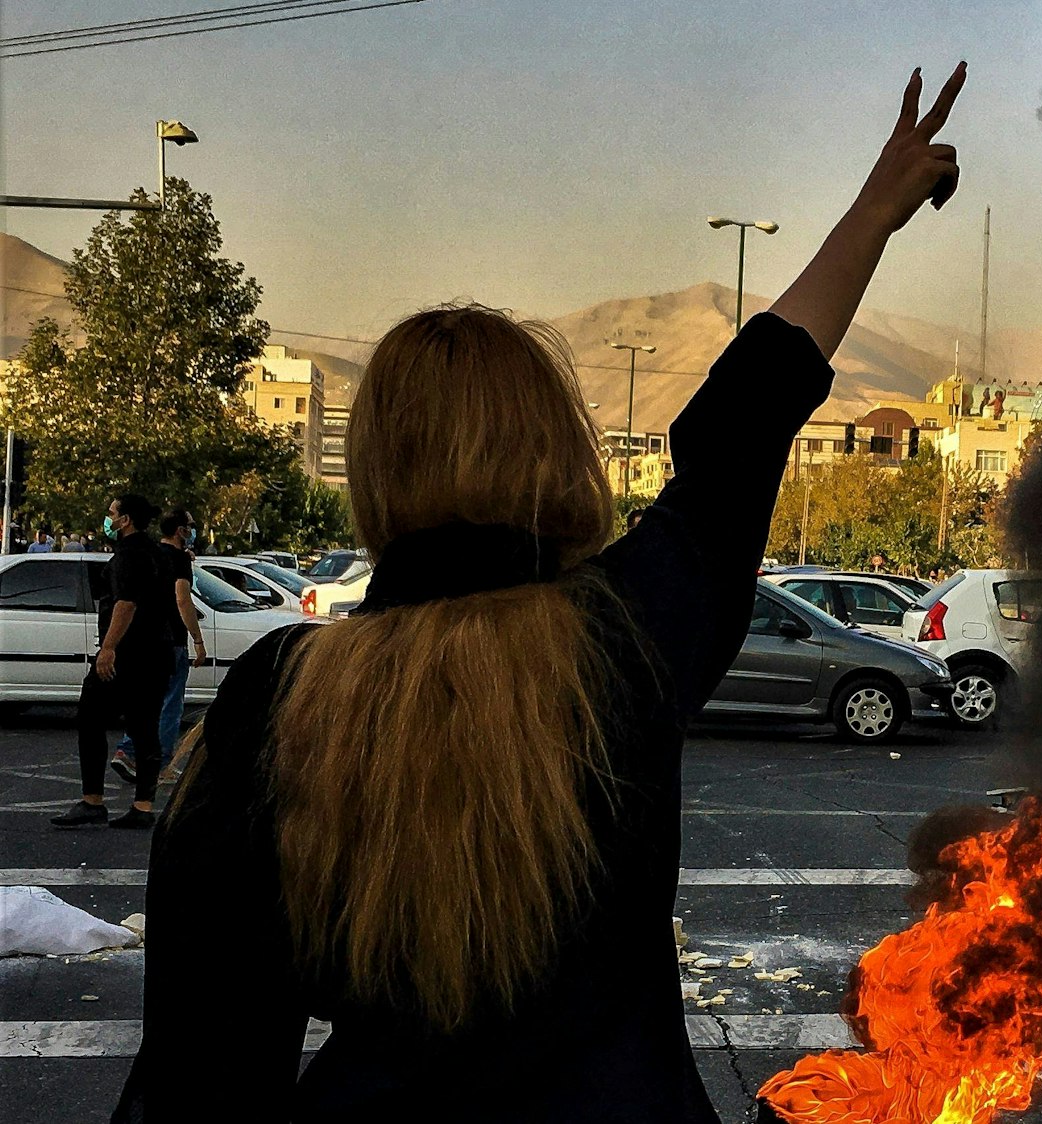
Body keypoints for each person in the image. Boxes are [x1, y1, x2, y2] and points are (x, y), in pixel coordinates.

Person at [113, 62, 965, 1123]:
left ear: (376, 472)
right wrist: (873, 213)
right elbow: (742, 424)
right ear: (558, 449)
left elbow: (202, 1067)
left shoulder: (278, 698)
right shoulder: (625, 633)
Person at [51, 495, 176, 829]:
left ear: (126, 520)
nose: (107, 519)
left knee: (90, 717)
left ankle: (92, 801)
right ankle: (143, 806)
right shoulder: (156, 552)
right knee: (146, 727)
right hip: (157, 654)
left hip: (129, 656)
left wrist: (108, 649)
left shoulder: (128, 555)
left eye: (111, 514)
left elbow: (126, 604)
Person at [110, 510, 207, 788]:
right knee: (170, 703)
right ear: (180, 530)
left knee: (145, 700)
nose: (193, 530)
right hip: (171, 640)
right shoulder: (178, 560)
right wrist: (197, 639)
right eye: (190, 526)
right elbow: (182, 599)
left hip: (144, 637)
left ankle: (128, 751)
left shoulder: (151, 553)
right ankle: (160, 763)